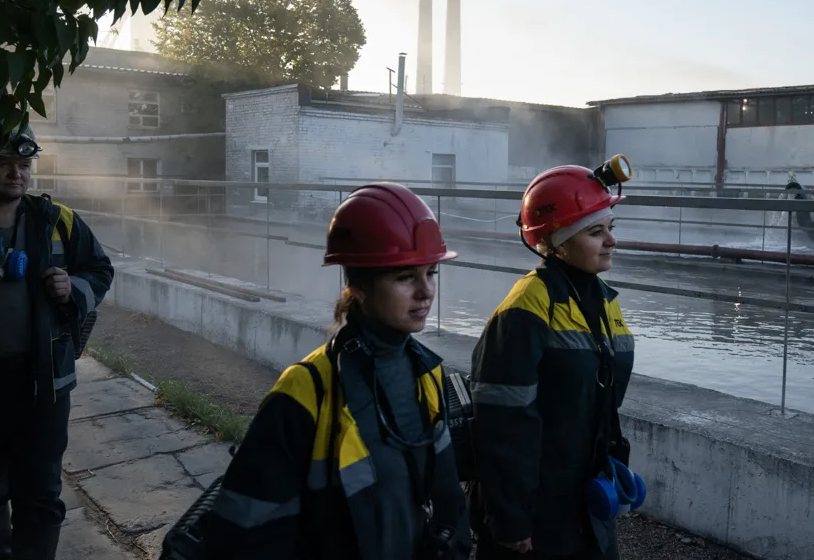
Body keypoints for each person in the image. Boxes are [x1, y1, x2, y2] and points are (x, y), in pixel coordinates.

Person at [200, 182, 472, 560]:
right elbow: (246, 534)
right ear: (358, 286)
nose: (426, 292)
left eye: (431, 273)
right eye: (405, 277)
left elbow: (448, 503)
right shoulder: (303, 392)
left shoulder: (428, 375)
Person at [469, 158, 637, 560]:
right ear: (557, 241)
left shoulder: (602, 300)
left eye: (611, 228)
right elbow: (500, 420)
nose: (611, 241)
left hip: (587, 499)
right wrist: (511, 518)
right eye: (595, 232)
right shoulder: (528, 307)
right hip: (537, 509)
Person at [0, 123, 115, 560]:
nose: (17, 173)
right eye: (3, 163)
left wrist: (74, 288)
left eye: (24, 164)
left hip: (43, 384)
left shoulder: (57, 221)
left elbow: (100, 270)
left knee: (40, 491)